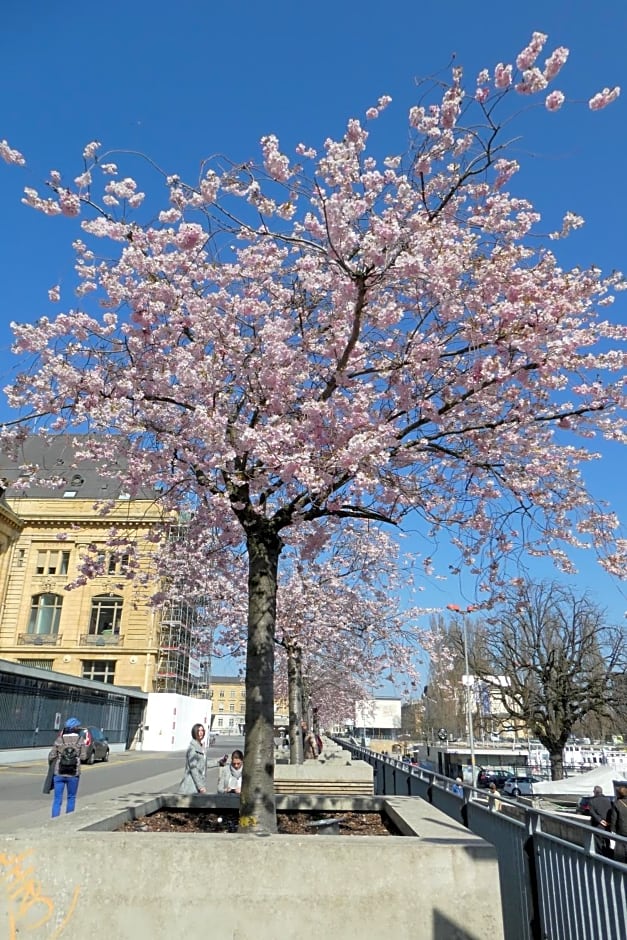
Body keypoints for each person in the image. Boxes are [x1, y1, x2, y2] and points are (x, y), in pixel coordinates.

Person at [48, 717, 88, 818]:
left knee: (57, 799)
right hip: (73, 773)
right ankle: (68, 819)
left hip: (59, 772)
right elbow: (84, 757)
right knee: (71, 797)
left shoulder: (59, 739)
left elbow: (52, 755)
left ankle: (54, 819)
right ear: (76, 728)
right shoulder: (80, 740)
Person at [178, 723, 207, 794]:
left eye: (202, 730)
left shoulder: (201, 747)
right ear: (194, 732)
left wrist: (218, 762)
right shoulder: (192, 748)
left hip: (197, 783)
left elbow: (201, 763)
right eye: (198, 731)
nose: (201, 733)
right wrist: (200, 786)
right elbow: (193, 768)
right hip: (191, 785)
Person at [588, 785, 612, 857]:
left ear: (595, 792)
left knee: (598, 842)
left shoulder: (592, 801)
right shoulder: (608, 800)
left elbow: (592, 812)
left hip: (598, 824)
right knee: (607, 841)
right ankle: (609, 857)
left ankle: (600, 857)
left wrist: (600, 820)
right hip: (608, 824)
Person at [608, 785, 627, 863]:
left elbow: (613, 819)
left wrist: (612, 830)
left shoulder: (617, 804)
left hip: (622, 830)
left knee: (622, 848)